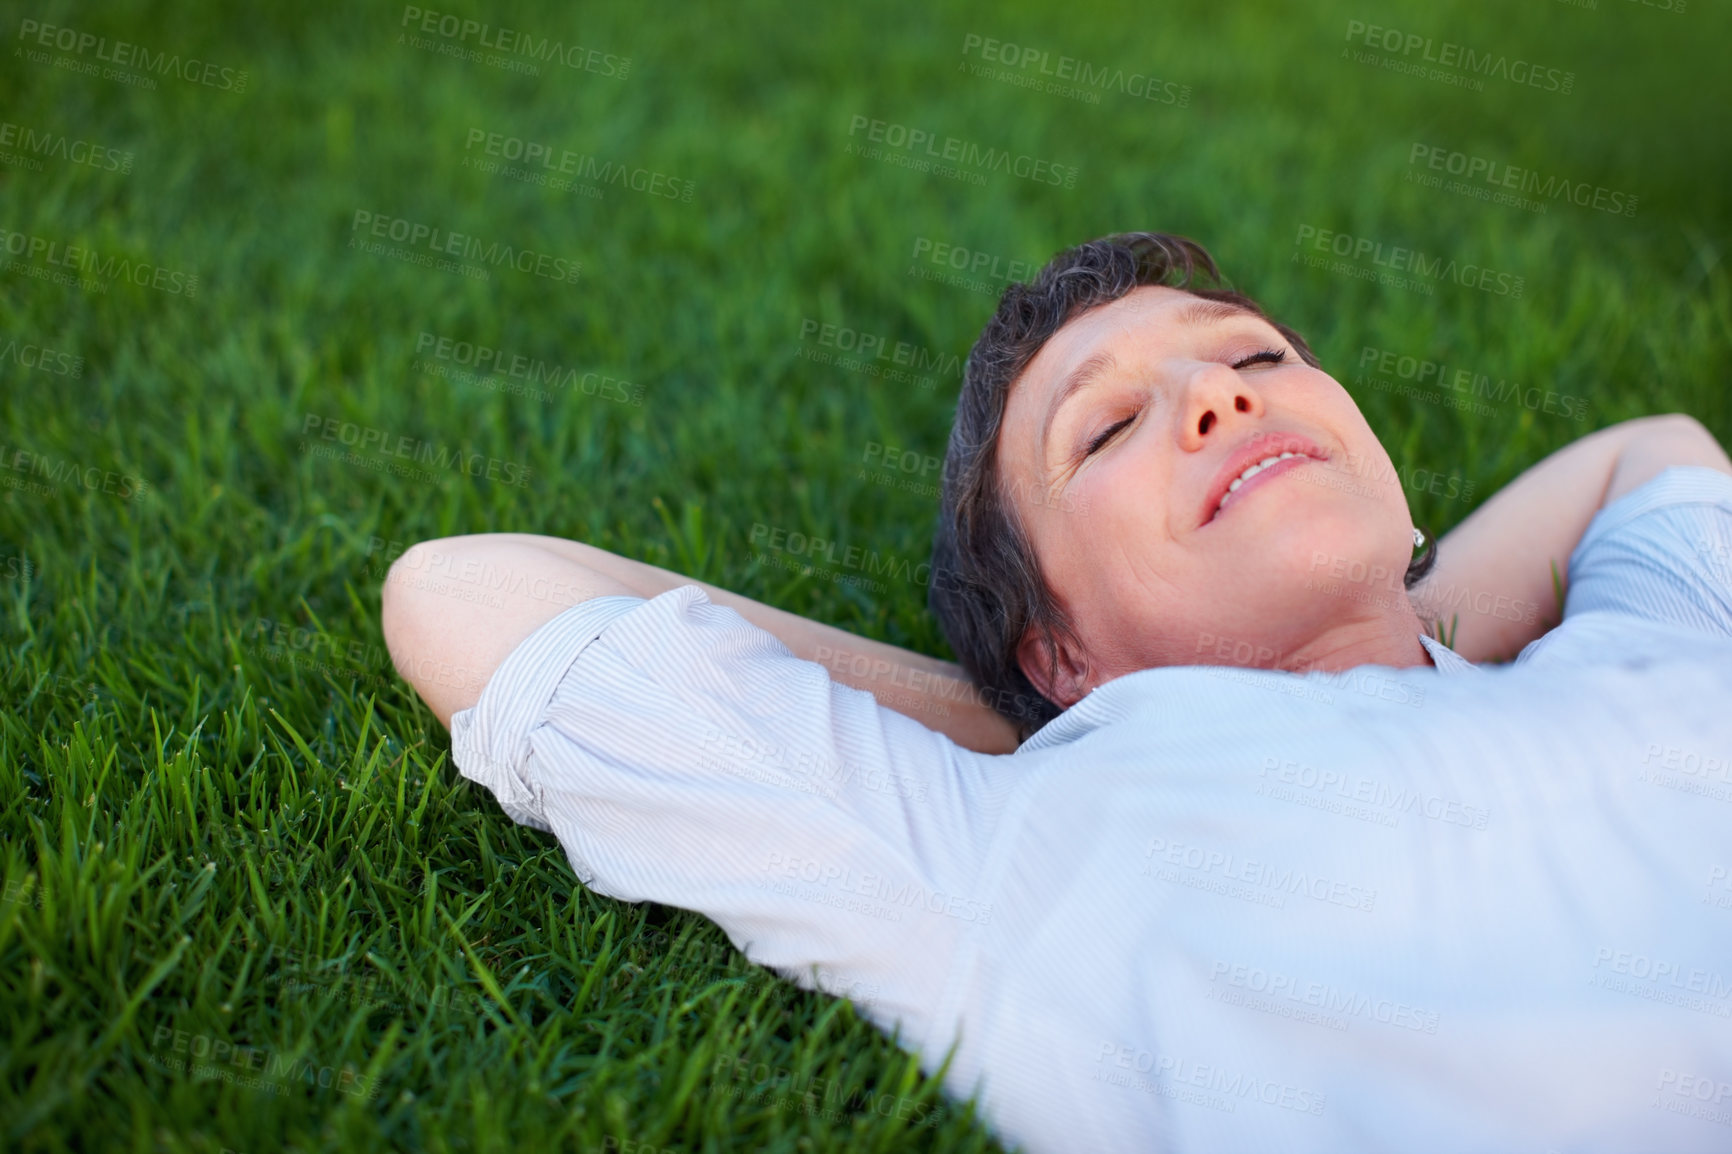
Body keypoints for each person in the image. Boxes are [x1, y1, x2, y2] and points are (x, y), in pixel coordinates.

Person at [382, 233, 1732, 1153]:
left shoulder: (1643, 648)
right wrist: (1043, 727)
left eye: (1256, 358)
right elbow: (468, 590)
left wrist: (1384, 619)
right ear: (1056, 647)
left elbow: (1656, 454)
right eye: (1106, 426)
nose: (1216, 394)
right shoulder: (1024, 841)